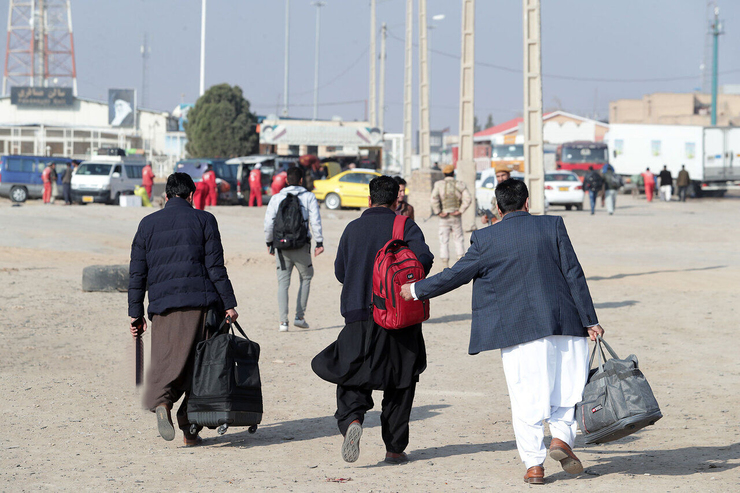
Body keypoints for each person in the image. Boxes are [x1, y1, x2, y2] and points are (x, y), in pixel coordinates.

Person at [400, 179, 603, 484]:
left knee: (526, 398)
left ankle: (534, 466)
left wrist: (416, 290)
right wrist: (590, 320)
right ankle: (561, 440)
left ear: (497, 207)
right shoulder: (553, 225)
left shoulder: (486, 238)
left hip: (519, 331)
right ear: (527, 202)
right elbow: (573, 272)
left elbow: (455, 275)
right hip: (566, 324)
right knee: (565, 392)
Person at [311, 175, 433, 465]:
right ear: (396, 201)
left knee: (352, 375)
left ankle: (352, 420)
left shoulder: (352, 228)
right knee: (401, 381)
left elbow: (341, 272)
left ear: (369, 200)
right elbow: (423, 261)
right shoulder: (404, 226)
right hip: (398, 316)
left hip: (358, 314)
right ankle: (394, 448)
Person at [128, 172, 238, 447]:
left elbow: (137, 273)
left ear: (166, 196)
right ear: (191, 196)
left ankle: (163, 402)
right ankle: (190, 430)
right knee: (200, 369)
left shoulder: (147, 224)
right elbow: (215, 268)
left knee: (167, 362)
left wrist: (135, 313)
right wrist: (230, 304)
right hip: (200, 307)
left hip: (163, 309)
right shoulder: (205, 220)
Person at [264, 167, 324, 332]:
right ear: (301, 180)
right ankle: (299, 316)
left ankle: (283, 322)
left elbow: (269, 222)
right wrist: (319, 242)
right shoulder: (309, 197)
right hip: (301, 244)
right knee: (306, 277)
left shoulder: (277, 198)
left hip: (281, 247)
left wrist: (269, 242)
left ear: (286, 181)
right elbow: (315, 220)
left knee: (283, 282)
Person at [430, 165, 472, 268]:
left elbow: (433, 198)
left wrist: (438, 211)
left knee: (443, 240)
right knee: (458, 238)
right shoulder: (460, 184)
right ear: (454, 173)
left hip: (444, 217)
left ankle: (445, 264)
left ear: (444, 174)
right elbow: (468, 198)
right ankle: (460, 263)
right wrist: (461, 210)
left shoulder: (439, 184)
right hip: (456, 216)